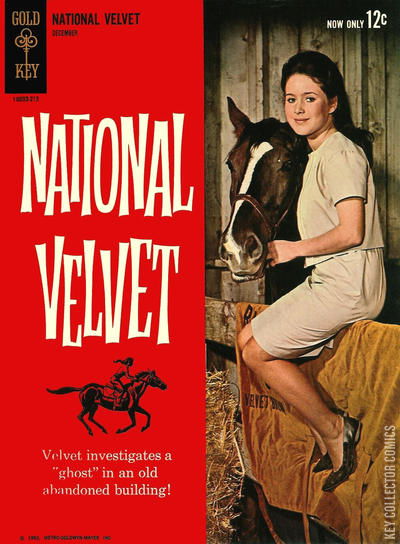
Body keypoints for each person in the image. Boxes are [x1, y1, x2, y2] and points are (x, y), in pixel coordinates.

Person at [238, 50, 386, 492]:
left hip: (350, 284)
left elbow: (351, 232)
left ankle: (336, 429)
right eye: (291, 99)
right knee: (246, 340)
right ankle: (325, 431)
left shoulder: (341, 154)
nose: (298, 109)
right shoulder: (319, 154)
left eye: (310, 98)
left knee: (256, 353)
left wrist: (292, 250)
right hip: (328, 278)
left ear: (332, 103)